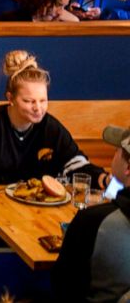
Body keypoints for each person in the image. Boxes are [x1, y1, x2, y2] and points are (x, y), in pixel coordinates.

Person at [0, 50, 106, 189]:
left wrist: (103, 179)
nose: (38, 108)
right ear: (10, 98)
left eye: (43, 100)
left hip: (34, 209)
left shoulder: (51, 127)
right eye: (29, 101)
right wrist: (9, 193)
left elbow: (75, 164)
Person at [52, 123, 130, 302]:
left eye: (117, 150)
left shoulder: (92, 221)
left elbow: (62, 288)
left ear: (128, 168)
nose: (114, 155)